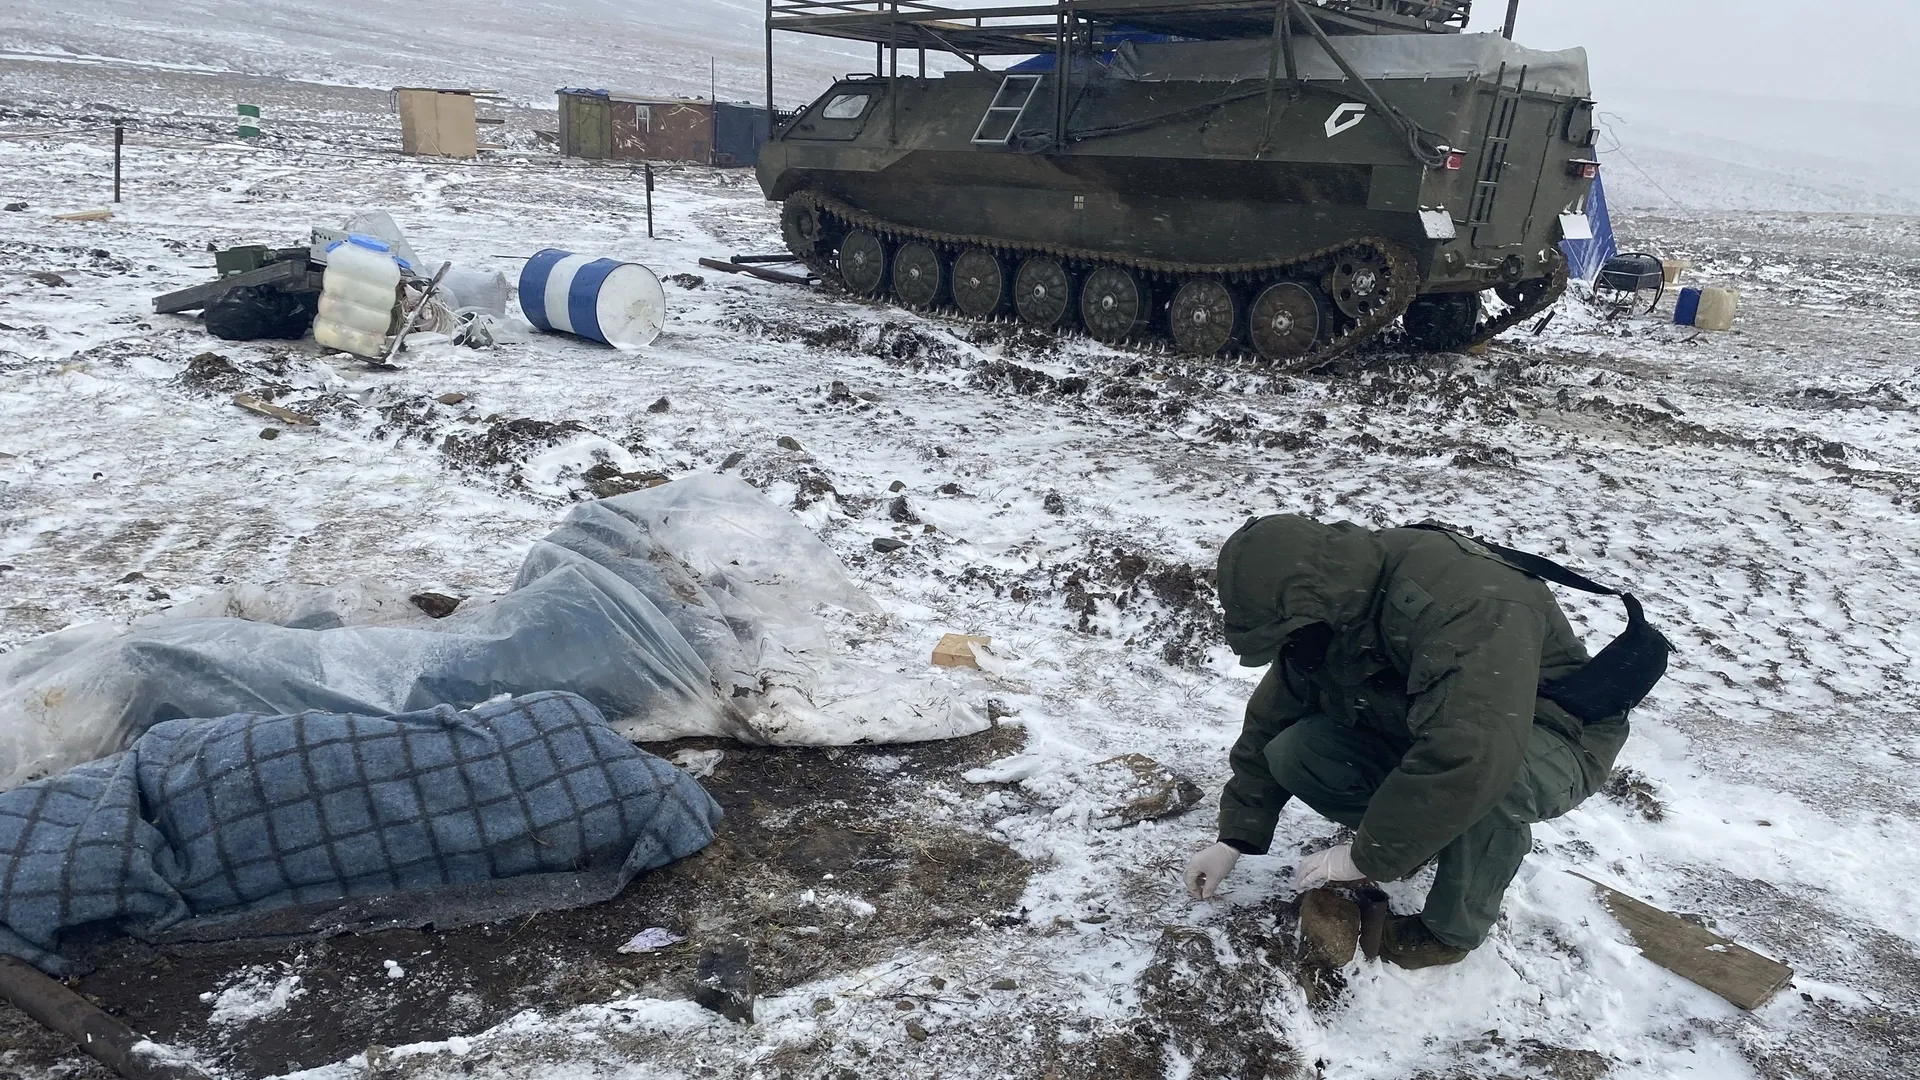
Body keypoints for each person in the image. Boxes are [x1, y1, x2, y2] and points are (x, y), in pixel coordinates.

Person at [1182, 515, 1633, 968]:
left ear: (1316, 599)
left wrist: (1367, 856)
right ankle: (1423, 837)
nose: (1289, 645)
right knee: (1298, 750)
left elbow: (1472, 754)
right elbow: (1271, 723)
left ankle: (1446, 932)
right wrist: (1236, 837)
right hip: (1437, 718)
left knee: (1495, 781)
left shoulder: (1467, 601)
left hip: (1556, 731)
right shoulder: (1327, 612)